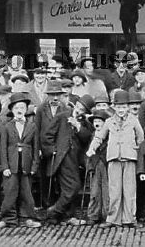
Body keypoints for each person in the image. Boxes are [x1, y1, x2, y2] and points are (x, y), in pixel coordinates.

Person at [85, 89, 144, 229]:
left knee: (129, 190)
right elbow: (100, 137)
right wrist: (92, 148)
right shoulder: (109, 122)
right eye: (118, 107)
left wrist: (135, 149)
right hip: (113, 159)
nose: (121, 110)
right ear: (114, 107)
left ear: (128, 107)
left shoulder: (134, 121)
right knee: (114, 190)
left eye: (124, 107)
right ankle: (113, 219)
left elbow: (141, 138)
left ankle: (130, 219)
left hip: (129, 158)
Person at [0, 93, 42, 229]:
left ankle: (27, 218)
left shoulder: (32, 126)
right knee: (10, 192)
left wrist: (34, 166)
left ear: (26, 110)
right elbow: (2, 148)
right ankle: (8, 219)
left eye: (22, 107)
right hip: (11, 164)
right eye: (16, 108)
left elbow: (36, 147)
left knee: (27, 192)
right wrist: (5, 166)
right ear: (12, 110)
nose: (19, 110)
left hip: (26, 163)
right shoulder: (7, 126)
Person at [44, 94, 94, 225]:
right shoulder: (62, 117)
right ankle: (55, 211)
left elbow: (87, 138)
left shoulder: (85, 123)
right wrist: (52, 150)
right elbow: (47, 135)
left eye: (82, 110)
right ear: (74, 105)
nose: (79, 110)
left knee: (68, 188)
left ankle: (62, 215)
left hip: (75, 159)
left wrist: (78, 126)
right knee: (73, 186)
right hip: (62, 157)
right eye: (78, 106)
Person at [85, 111, 110, 225]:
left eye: (100, 121)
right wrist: (89, 166)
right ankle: (93, 215)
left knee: (107, 191)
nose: (97, 123)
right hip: (95, 165)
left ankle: (107, 216)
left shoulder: (109, 136)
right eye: (95, 121)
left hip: (106, 165)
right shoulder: (92, 136)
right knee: (94, 191)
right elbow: (88, 154)